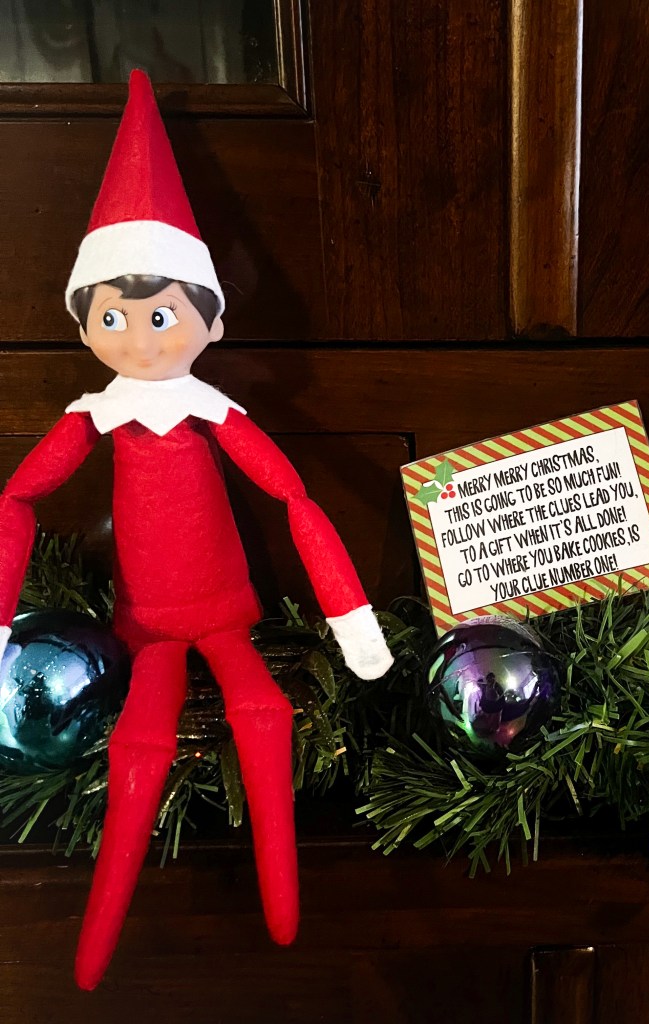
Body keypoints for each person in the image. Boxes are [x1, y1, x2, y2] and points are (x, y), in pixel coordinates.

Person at [0, 69, 393, 989]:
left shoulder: (214, 412)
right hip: (145, 620)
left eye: (162, 315)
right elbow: (16, 500)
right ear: (87, 328)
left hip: (226, 609)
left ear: (209, 324)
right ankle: (96, 942)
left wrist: (352, 617)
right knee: (142, 733)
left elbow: (295, 499)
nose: (140, 339)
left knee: (263, 709)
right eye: (114, 317)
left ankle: (284, 907)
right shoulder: (94, 418)